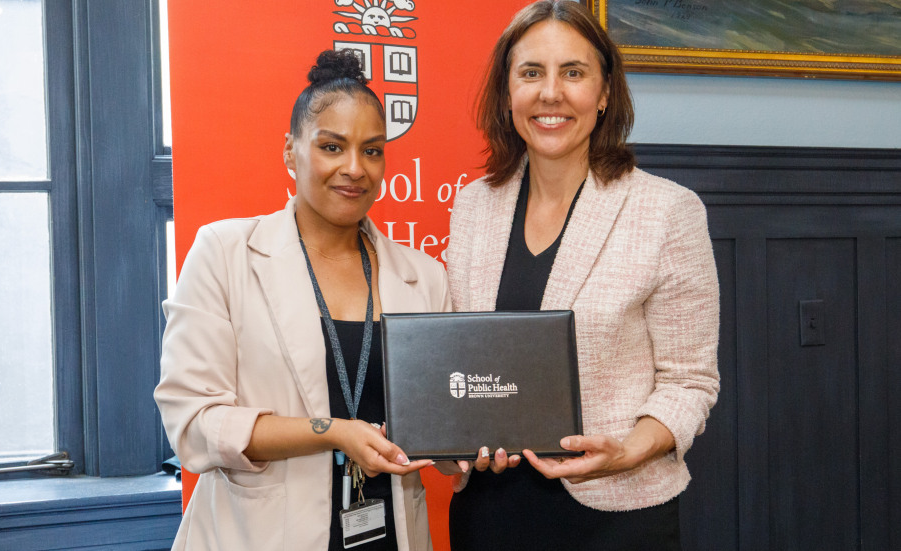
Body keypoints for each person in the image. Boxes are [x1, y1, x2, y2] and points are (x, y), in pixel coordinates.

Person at [443, 1, 720, 549]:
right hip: (489, 513)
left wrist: (628, 451)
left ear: (605, 92)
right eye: (530, 73)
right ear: (506, 93)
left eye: (573, 72)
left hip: (614, 517)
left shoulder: (667, 211)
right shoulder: (473, 205)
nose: (551, 93)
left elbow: (689, 383)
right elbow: (462, 353)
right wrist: (451, 434)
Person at [154, 49, 450, 550]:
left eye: (372, 150)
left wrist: (479, 445)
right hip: (258, 535)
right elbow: (193, 425)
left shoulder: (425, 277)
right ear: (291, 151)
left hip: (391, 532)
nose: (355, 168)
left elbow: (442, 424)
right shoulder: (226, 254)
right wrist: (332, 432)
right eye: (332, 147)